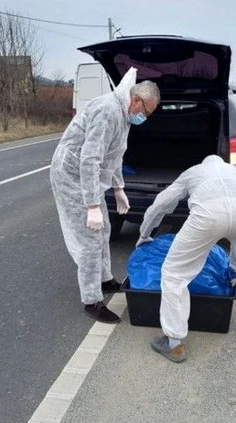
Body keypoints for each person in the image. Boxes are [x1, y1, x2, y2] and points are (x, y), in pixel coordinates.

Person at [50, 67, 161, 324]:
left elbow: (114, 156)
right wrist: (91, 205)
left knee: (105, 228)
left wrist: (119, 188)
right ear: (136, 100)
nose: (145, 118)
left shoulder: (124, 115)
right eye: (146, 112)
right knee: (90, 236)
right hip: (71, 175)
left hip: (89, 177)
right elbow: (90, 159)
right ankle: (91, 300)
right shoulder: (107, 111)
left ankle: (104, 279)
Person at [136, 155, 236, 363]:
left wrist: (145, 233)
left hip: (207, 215)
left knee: (174, 273)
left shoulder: (192, 172)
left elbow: (162, 202)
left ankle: (173, 343)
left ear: (203, 164)